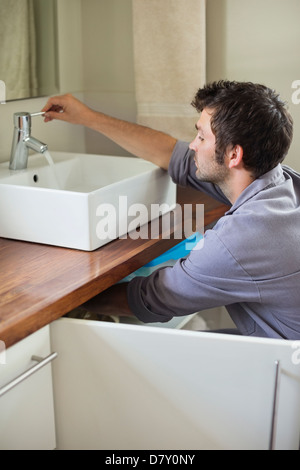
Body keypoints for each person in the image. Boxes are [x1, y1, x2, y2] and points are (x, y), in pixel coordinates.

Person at [42, 80, 300, 339]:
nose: (192, 145)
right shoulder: (282, 182)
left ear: (233, 155)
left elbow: (149, 300)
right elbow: (170, 153)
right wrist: (86, 117)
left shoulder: (238, 241)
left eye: (201, 137)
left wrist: (59, 299)